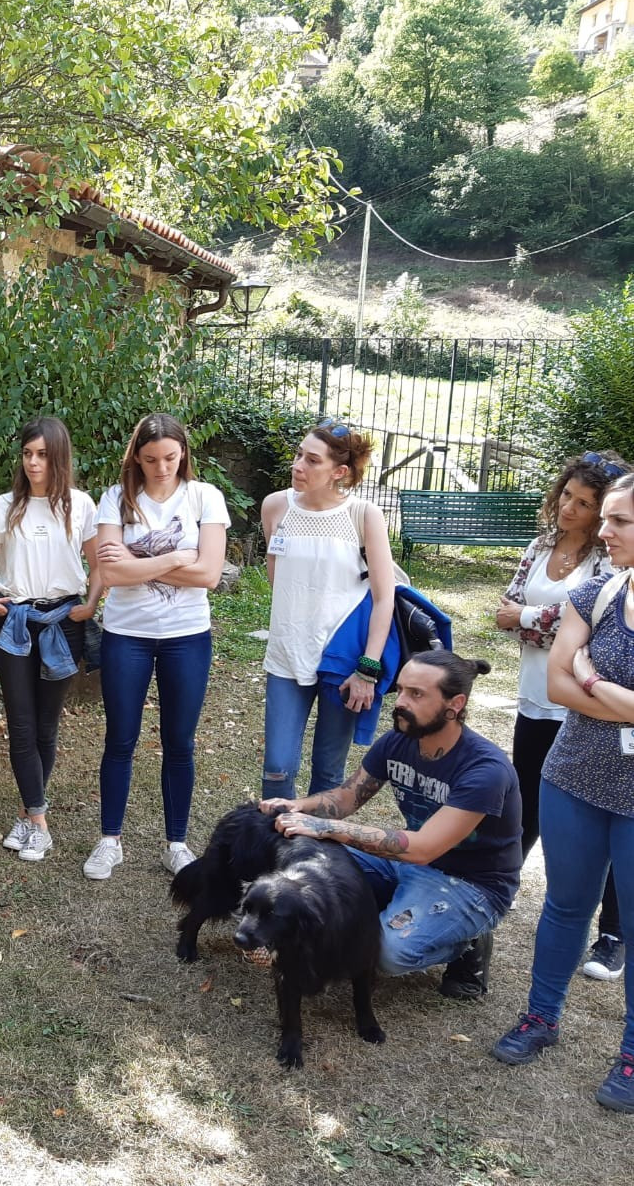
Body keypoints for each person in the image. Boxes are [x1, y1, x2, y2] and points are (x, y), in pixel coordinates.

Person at [490, 471, 634, 1112]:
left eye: (620, 521)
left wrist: (591, 678)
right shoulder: (598, 593)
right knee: (565, 907)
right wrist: (611, 694)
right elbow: (555, 683)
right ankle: (540, 1018)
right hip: (573, 774)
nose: (604, 530)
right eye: (606, 517)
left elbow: (576, 677)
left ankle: (631, 1056)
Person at [261, 651, 522, 1000]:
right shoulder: (397, 742)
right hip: (408, 864)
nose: (399, 702)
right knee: (309, 857)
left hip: (470, 885)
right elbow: (345, 799)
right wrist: (298, 806)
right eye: (400, 690)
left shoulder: (486, 770)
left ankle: (467, 940)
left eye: (416, 694)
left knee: (385, 953)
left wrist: (324, 826)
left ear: (455, 704)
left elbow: (423, 847)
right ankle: (389, 909)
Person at [496, 451, 624, 981]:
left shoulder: (610, 562)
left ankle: (612, 936)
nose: (570, 508)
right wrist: (547, 628)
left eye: (586, 503)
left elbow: (576, 622)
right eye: (567, 496)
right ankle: (495, 891)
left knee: (610, 816)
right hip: (537, 696)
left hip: (594, 712)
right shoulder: (541, 544)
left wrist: (532, 619)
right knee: (524, 805)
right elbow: (509, 609)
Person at [86, 413, 230, 881]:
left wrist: (136, 560)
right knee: (120, 738)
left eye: (170, 457)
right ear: (137, 457)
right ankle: (110, 841)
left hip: (186, 636)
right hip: (126, 633)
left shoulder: (205, 497)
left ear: (184, 453)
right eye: (150, 459)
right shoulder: (117, 498)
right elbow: (109, 574)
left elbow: (209, 574)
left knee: (179, 743)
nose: (161, 467)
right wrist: (170, 558)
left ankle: (177, 843)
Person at [0, 418, 100, 862]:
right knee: (20, 722)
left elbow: (99, 565)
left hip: (64, 621)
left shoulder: (80, 505)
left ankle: (28, 811)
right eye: (27, 454)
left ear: (59, 457)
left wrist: (91, 605)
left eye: (42, 454)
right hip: (13, 621)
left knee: (46, 722)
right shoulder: (4, 506)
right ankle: (38, 823)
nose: (33, 462)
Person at [261, 422, 395, 799]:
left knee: (328, 769)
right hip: (287, 654)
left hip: (344, 661)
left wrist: (368, 668)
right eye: (299, 454)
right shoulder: (275, 506)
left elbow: (385, 596)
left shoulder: (363, 515)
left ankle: (316, 853)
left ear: (340, 472)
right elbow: (279, 581)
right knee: (277, 767)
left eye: (312, 460)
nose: (298, 465)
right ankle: (275, 853)